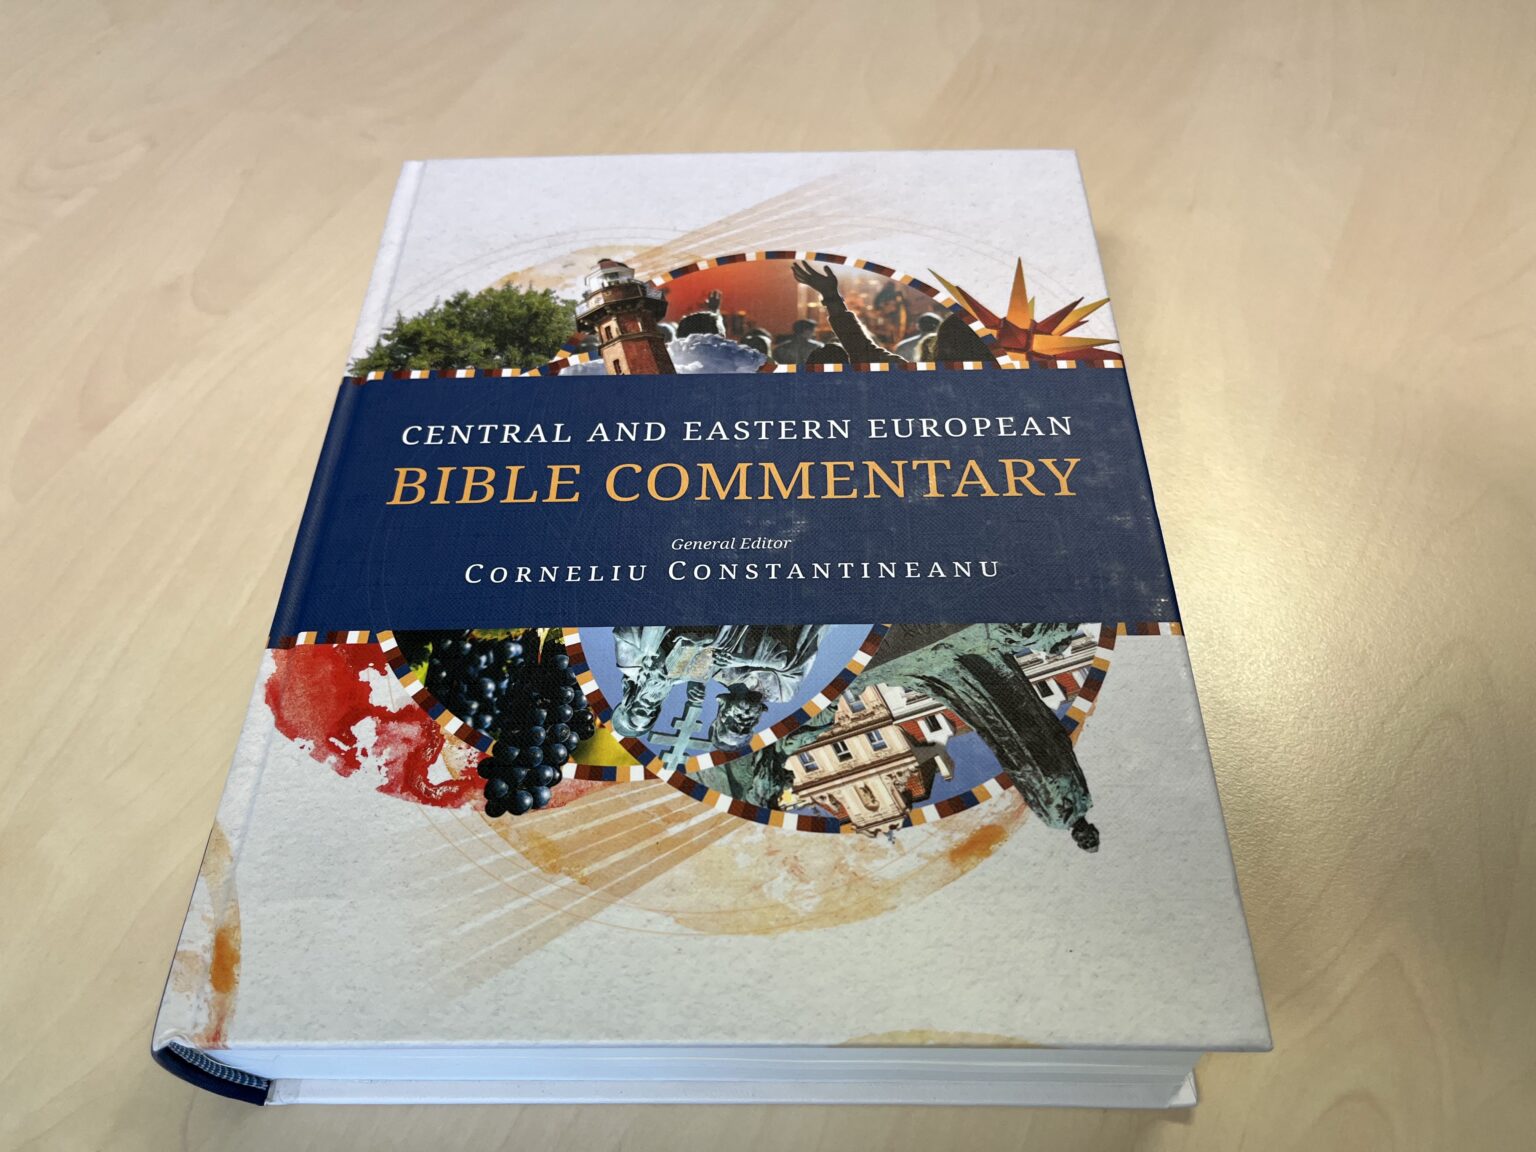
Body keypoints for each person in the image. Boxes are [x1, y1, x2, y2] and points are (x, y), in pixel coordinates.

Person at [790, 261, 905, 366]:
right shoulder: (900, 369)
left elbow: (859, 347)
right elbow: (860, 348)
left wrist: (830, 295)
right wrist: (831, 296)